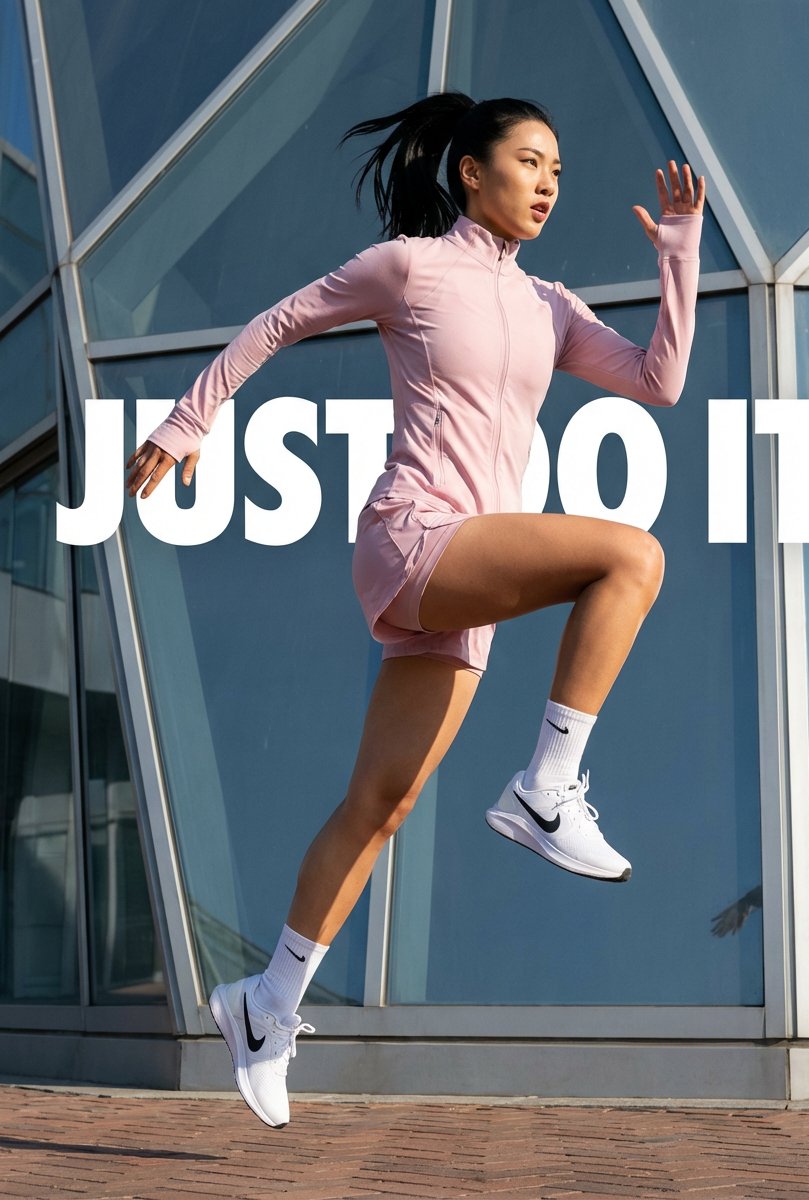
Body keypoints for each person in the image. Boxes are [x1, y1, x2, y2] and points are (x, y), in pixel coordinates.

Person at [124, 91, 704, 1128]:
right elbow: (280, 320)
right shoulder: (408, 265)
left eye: (557, 173)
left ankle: (265, 1006)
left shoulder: (551, 306)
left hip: (464, 587)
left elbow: (658, 381)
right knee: (630, 557)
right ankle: (546, 787)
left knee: (378, 807)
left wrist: (677, 252)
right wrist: (186, 422)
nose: (545, 185)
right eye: (528, 162)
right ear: (470, 172)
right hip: (416, 533)